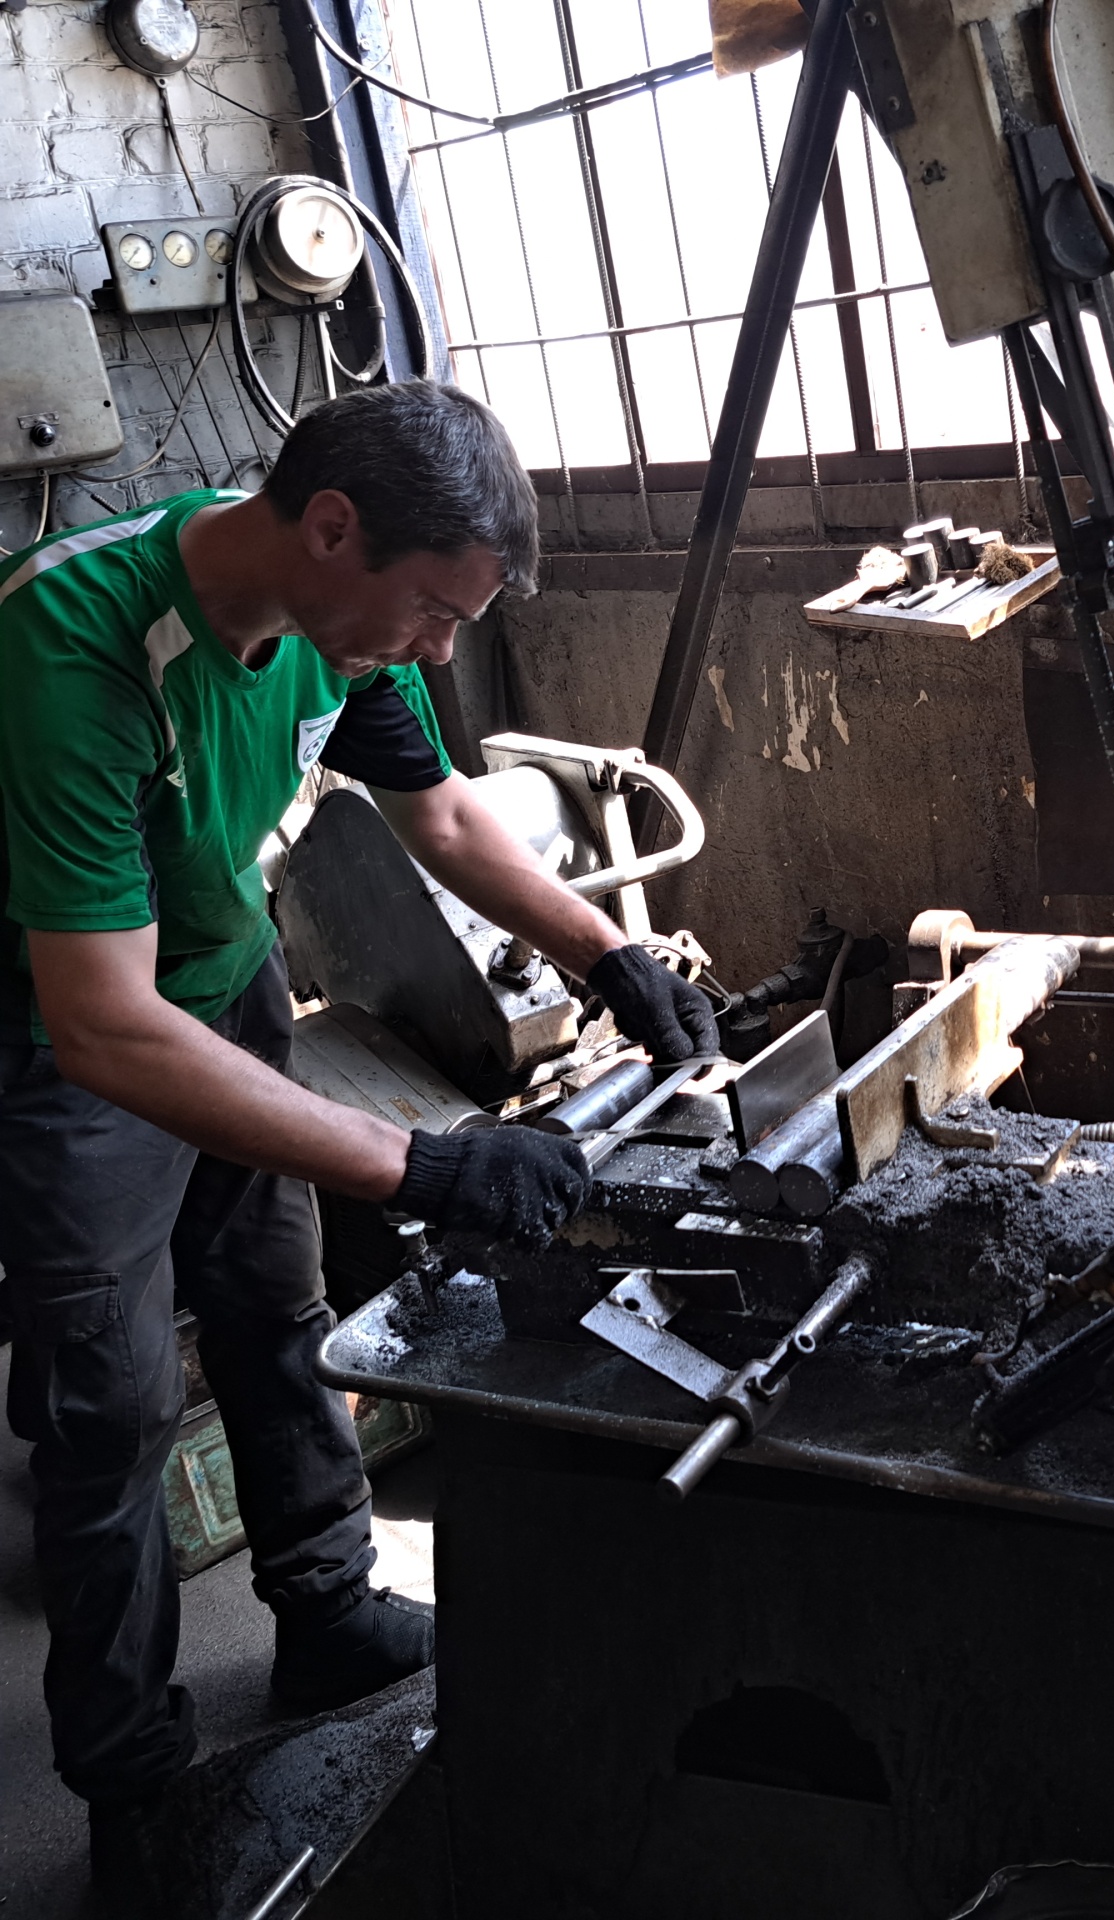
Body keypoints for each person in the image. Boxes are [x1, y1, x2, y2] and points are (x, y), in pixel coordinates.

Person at [0, 380, 718, 1897]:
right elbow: (102, 1022)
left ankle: (325, 1609)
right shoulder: (71, 646)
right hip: (66, 1040)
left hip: (220, 974)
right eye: (437, 612)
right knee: (111, 1409)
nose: (445, 649)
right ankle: (132, 1785)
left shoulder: (337, 627)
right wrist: (426, 1164)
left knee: (278, 1306)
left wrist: (607, 953)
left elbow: (441, 817)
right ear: (331, 529)